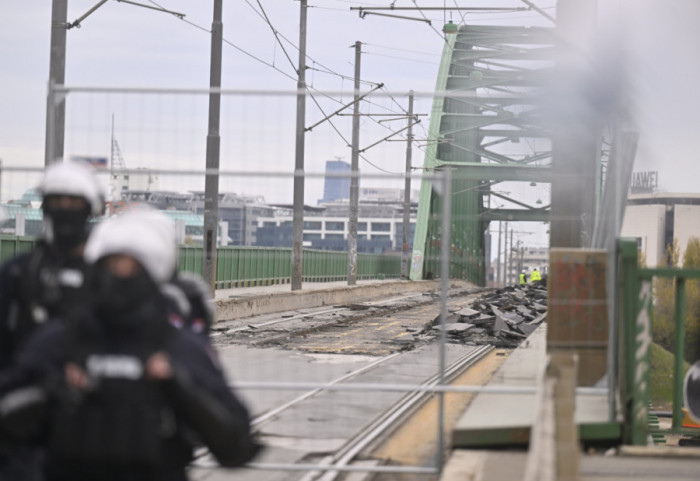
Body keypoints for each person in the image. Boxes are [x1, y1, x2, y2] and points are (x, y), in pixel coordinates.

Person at [0, 209, 259, 481]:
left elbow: (236, 446)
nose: (121, 276)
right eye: (112, 264)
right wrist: (48, 393)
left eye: (133, 266)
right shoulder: (58, 342)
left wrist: (180, 389)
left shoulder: (179, 348)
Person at [0, 161, 103, 480]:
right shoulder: (18, 272)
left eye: (73, 203)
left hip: (94, 417)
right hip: (26, 420)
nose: (65, 210)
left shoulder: (107, 276)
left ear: (89, 208)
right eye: (57, 202)